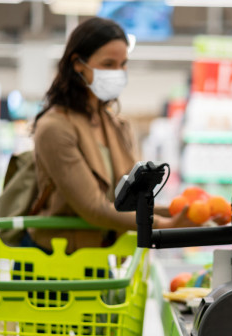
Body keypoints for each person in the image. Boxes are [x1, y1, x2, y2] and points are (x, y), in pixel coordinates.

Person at [28, 17, 197, 253]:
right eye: (108, 64)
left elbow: (128, 202)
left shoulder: (116, 125)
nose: (118, 73)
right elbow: (93, 207)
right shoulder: (55, 127)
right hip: (56, 263)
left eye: (123, 64)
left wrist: (185, 212)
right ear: (78, 64)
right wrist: (162, 224)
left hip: (101, 259)